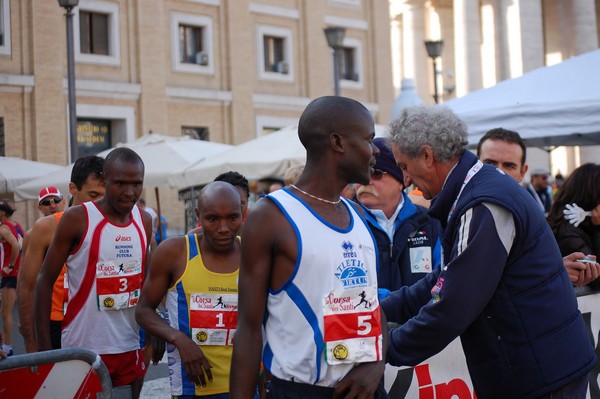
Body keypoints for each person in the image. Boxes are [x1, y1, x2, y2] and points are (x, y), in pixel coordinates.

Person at [384, 105, 595, 398]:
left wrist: (381, 348)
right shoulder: (477, 192)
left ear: (427, 155)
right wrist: (383, 310)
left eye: (404, 166)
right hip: (539, 368)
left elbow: (452, 306)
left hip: (538, 377)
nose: (405, 180)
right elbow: (446, 278)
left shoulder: (483, 202)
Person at [231, 96, 388, 399]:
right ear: (338, 142)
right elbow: (248, 330)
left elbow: (370, 303)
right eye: (368, 139)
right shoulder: (271, 216)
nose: (376, 150)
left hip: (365, 387)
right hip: (300, 390)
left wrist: (377, 363)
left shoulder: (358, 215)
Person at [35, 148, 154, 399]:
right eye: (120, 183)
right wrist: (44, 351)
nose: (130, 192)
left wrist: (154, 331)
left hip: (129, 346)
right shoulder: (78, 218)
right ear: (105, 180)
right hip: (83, 349)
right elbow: (44, 280)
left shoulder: (144, 220)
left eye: (137, 184)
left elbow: (147, 281)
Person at [136, 181, 246, 397]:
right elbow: (143, 310)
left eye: (232, 218)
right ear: (199, 214)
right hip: (190, 386)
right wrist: (179, 339)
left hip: (244, 384)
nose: (223, 228)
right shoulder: (175, 252)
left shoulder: (252, 251)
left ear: (242, 214)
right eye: (213, 219)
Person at [477, 128, 600, 286]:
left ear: (522, 172)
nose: (498, 172)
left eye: (509, 166)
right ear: (475, 165)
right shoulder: (454, 212)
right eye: (489, 163)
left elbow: (532, 266)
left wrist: (555, 269)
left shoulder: (531, 218)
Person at [17, 155, 105, 352]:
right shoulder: (45, 228)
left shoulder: (110, 224)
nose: (99, 203)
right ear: (73, 189)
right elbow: (26, 287)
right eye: (93, 195)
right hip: (55, 322)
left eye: (103, 196)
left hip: (96, 322)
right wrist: (31, 343)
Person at [355, 137, 441, 295]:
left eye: (376, 173)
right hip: (367, 319)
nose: (366, 180)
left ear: (402, 179)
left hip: (422, 319)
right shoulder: (345, 224)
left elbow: (443, 283)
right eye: (361, 173)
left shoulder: (431, 223)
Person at [547, 163, 600, 288]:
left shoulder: (586, 224)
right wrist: (598, 229)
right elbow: (595, 278)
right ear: (591, 195)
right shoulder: (568, 230)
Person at [0, 201, 24, 357]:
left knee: (6, 312)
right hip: (19, 273)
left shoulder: (3, 228)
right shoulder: (16, 225)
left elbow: (15, 246)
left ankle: (8, 346)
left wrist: (10, 265)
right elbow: (23, 243)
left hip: (10, 274)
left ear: (2, 212)